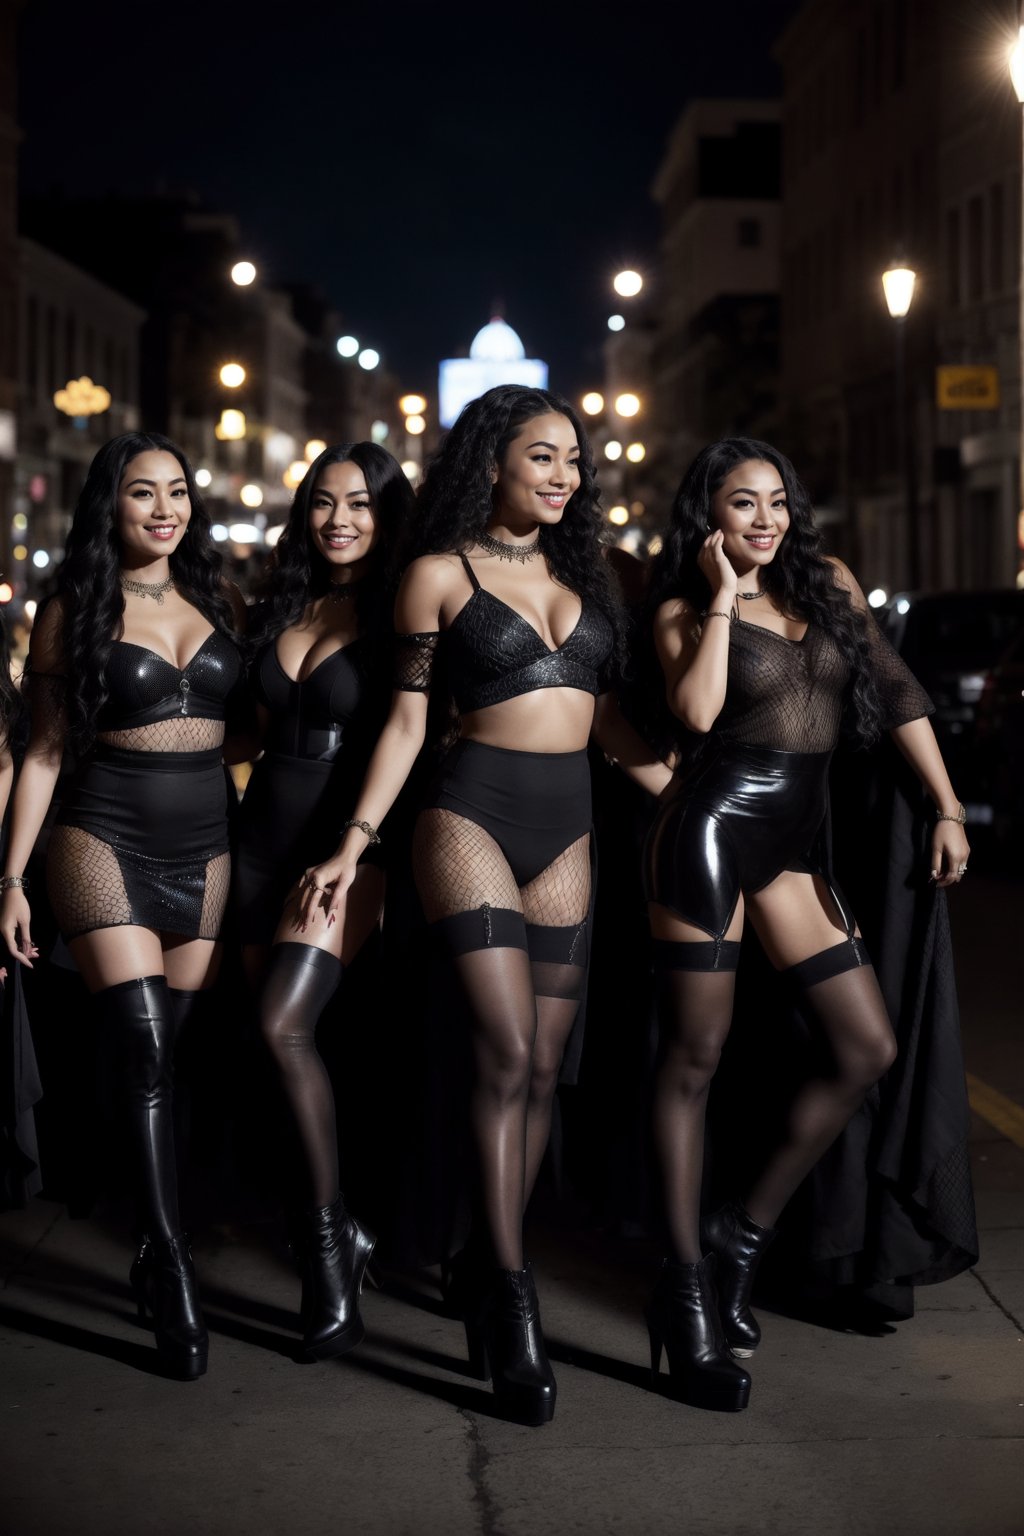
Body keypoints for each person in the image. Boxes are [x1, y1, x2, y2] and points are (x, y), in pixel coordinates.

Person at [299, 384, 672, 1425]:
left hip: (568, 829)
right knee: (505, 1051)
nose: (564, 475)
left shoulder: (585, 572)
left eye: (573, 459)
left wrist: (692, 801)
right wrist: (352, 841)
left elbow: (604, 724)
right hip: (466, 818)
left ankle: (478, 1248)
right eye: (542, 456)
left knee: (546, 1066)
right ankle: (508, 1300)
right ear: (491, 462)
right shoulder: (434, 573)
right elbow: (408, 725)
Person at [641, 437, 969, 1413]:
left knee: (863, 1046)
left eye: (776, 502)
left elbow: (897, 688)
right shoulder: (680, 609)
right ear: (709, 514)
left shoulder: (825, 583)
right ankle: (681, 1292)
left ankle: (737, 1235)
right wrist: (720, 598)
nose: (764, 520)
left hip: (792, 849)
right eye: (742, 504)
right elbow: (696, 717)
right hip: (705, 834)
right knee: (691, 1063)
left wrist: (945, 803)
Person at [0, 432, 246, 1381]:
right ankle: (170, 1261)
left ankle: (148, 1233)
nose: (163, 508)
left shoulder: (218, 597)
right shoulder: (74, 607)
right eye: (142, 493)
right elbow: (47, 752)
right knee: (143, 1047)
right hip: (100, 836)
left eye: (177, 491)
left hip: (207, 846)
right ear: (110, 505)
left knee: (166, 1057)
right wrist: (12, 878)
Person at [234, 442, 413, 1359]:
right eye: (321, 502)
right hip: (258, 840)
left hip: (351, 845)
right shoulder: (285, 602)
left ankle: (329, 1247)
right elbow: (248, 733)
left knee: (284, 1028)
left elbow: (418, 733)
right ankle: (332, 1219)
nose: (338, 519)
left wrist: (359, 842)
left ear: (389, 513)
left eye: (360, 504)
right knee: (270, 1050)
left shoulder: (405, 610)